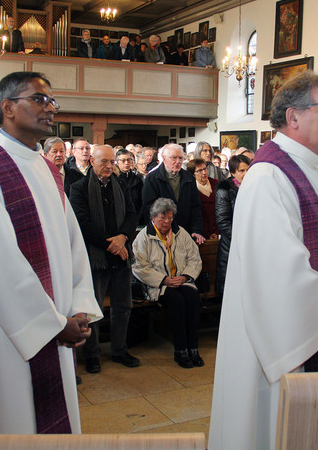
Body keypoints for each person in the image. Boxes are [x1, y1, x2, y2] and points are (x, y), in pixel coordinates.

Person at [209, 71, 318, 450]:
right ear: (293, 117)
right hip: (285, 349)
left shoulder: (311, 172)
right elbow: (278, 271)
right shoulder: (269, 175)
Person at [0, 71, 101, 450]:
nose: (51, 109)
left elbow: (72, 243)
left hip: (56, 317)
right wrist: (49, 324)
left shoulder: (42, 167)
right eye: (40, 100)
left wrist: (77, 307)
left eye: (52, 102)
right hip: (7, 331)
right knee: (9, 418)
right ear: (8, 107)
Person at [69, 145, 140, 374]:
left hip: (121, 256)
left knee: (123, 307)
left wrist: (124, 237)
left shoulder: (121, 185)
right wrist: (113, 245)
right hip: (95, 257)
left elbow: (132, 214)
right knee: (94, 309)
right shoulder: (78, 188)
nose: (109, 166)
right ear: (92, 161)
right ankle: (92, 354)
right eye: (104, 162)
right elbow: (83, 222)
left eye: (112, 162)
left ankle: (120, 350)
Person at [132, 198, 203, 368]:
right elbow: (139, 267)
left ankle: (193, 347)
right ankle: (180, 350)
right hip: (158, 285)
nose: (167, 222)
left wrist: (185, 276)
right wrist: (163, 280)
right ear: (153, 218)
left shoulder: (181, 233)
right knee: (177, 301)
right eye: (163, 218)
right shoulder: (144, 237)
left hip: (181, 280)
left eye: (170, 218)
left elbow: (194, 258)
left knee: (193, 298)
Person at [141, 143, 205, 244]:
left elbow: (195, 207)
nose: (178, 161)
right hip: (162, 234)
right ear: (164, 158)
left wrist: (197, 230)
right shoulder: (153, 178)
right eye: (174, 158)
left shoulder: (189, 178)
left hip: (186, 233)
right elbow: (149, 208)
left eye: (180, 158)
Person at [214, 154, 250, 295]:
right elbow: (223, 221)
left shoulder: (253, 187)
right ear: (233, 172)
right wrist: (240, 239)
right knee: (232, 289)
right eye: (241, 171)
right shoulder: (225, 189)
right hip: (232, 244)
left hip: (249, 243)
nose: (246, 174)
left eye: (248, 170)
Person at [186, 158, 218, 239]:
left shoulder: (216, 183)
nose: (204, 173)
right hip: (201, 234)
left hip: (218, 231)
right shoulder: (190, 188)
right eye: (199, 171)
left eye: (205, 169)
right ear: (193, 173)